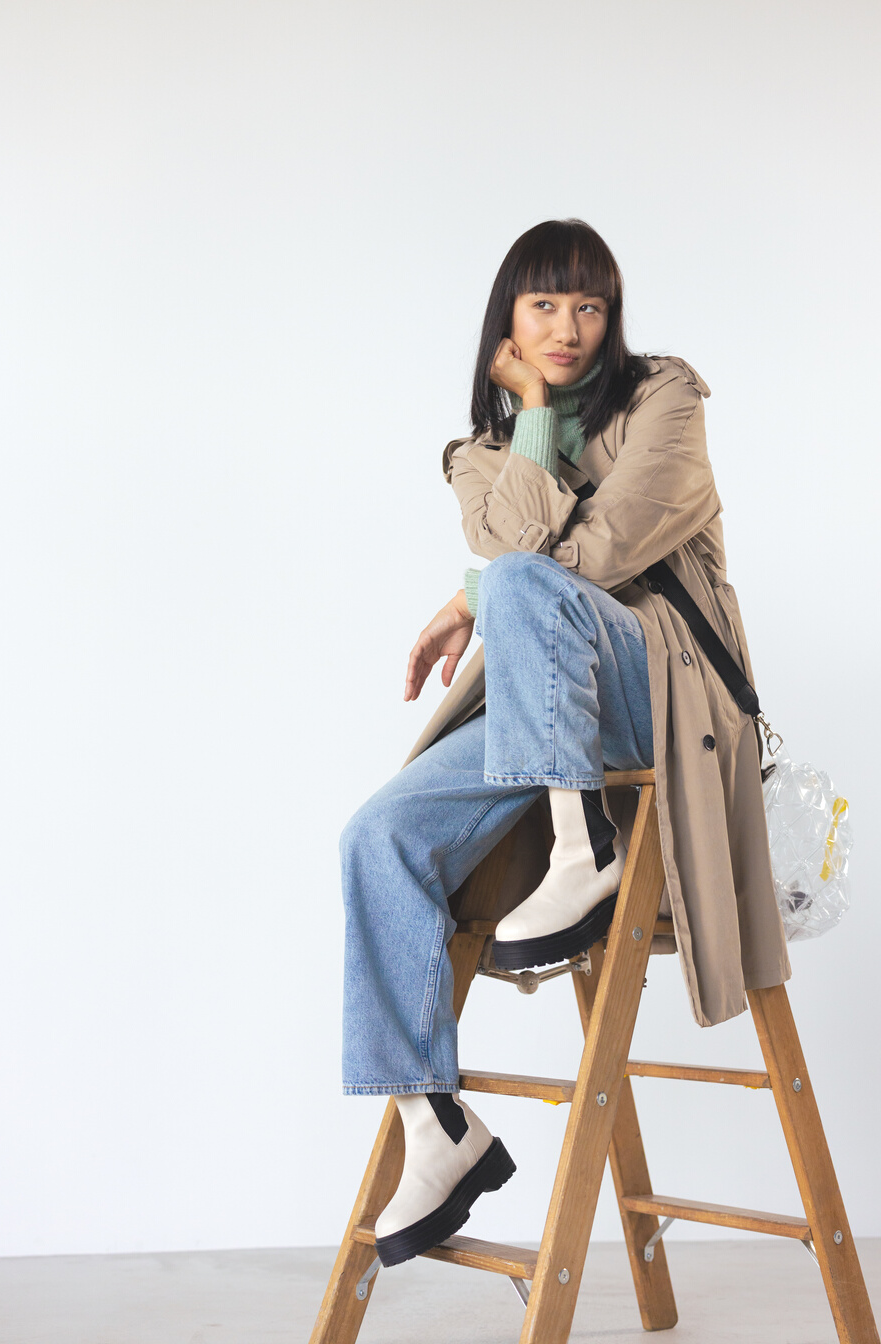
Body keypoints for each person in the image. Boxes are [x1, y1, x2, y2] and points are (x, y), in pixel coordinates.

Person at [337, 218, 791, 1270]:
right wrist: (532, 423)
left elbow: (593, 551)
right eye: (544, 306)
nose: (570, 327)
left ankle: (583, 851)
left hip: (657, 692)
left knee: (528, 580)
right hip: (543, 709)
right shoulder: (481, 454)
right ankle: (433, 1129)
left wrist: (480, 591)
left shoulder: (664, 399)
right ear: (505, 320)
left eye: (589, 305)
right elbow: (512, 547)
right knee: (376, 837)